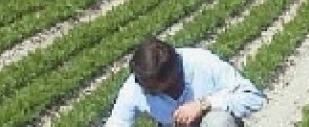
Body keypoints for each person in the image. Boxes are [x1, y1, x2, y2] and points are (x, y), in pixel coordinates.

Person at [105, 37, 266, 127]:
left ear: (171, 75)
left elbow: (254, 97)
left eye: (152, 89)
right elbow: (117, 122)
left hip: (209, 122)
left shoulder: (202, 63)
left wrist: (203, 104)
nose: (144, 91)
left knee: (219, 122)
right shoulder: (137, 84)